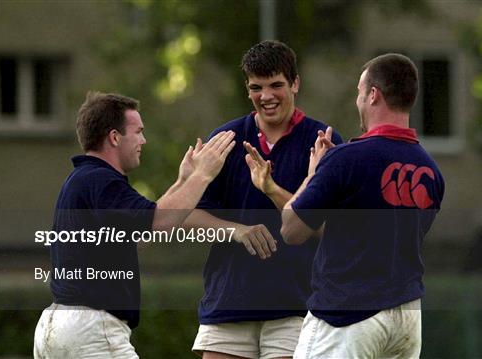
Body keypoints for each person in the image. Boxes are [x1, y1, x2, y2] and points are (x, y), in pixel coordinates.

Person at [33, 92, 235, 358]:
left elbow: (143, 231)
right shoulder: (102, 181)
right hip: (91, 330)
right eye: (138, 132)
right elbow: (161, 222)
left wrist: (183, 181)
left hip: (56, 328)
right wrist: (204, 174)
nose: (143, 140)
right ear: (115, 137)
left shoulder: (83, 179)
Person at [185, 40, 342, 359]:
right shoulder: (224, 141)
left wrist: (271, 188)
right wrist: (235, 230)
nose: (266, 96)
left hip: (296, 308)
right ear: (247, 89)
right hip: (227, 305)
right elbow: (186, 216)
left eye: (276, 85)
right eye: (257, 87)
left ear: (295, 83)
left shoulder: (323, 142)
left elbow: (329, 229)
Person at [281, 54, 445, 358]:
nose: (358, 100)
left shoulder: (346, 159)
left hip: (347, 316)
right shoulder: (433, 172)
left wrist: (315, 174)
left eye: (360, 91)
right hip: (407, 319)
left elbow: (291, 230)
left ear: (373, 95)